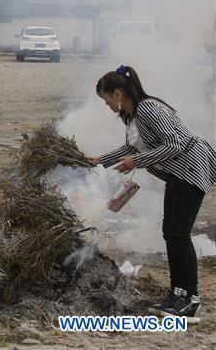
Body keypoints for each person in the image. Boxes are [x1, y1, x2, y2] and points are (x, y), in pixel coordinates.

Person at [89, 65, 216, 319]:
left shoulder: (148, 109)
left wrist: (136, 162)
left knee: (179, 233)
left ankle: (191, 300)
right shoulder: (130, 116)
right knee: (170, 232)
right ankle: (177, 294)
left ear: (117, 94)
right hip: (177, 174)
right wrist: (98, 160)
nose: (106, 106)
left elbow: (176, 143)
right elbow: (132, 149)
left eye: (105, 100)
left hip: (192, 167)